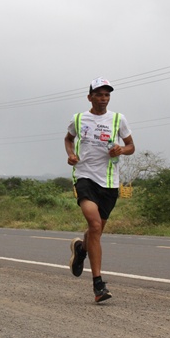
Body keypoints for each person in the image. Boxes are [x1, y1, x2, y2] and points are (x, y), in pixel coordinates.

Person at [64, 77, 135, 302]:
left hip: (109, 182)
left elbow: (131, 146)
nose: (103, 99)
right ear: (90, 97)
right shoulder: (78, 119)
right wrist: (71, 155)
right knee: (94, 225)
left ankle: (81, 249)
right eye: (99, 95)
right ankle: (98, 286)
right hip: (84, 176)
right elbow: (68, 139)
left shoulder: (118, 119)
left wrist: (121, 150)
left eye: (107, 95)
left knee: (96, 231)